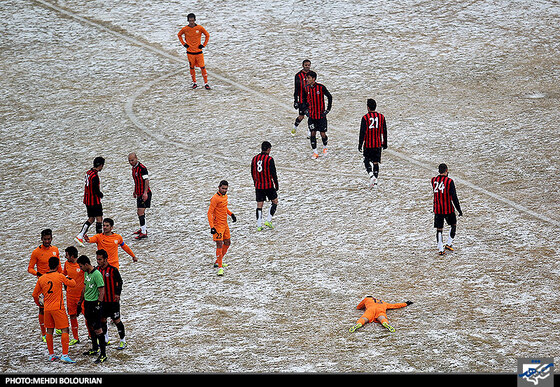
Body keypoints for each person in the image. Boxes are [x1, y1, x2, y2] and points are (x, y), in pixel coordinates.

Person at [32, 256, 77, 363]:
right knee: (65, 329)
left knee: (49, 331)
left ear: (48, 265)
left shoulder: (42, 278)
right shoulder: (60, 276)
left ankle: (51, 355)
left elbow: (34, 294)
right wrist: (69, 278)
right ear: (57, 266)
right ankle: (64, 355)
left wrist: (39, 304)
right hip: (58, 308)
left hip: (47, 308)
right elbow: (73, 284)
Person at [28, 229, 61, 342]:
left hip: (55, 283)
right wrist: (38, 274)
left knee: (56, 307)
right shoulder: (36, 252)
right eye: (45, 239)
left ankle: (58, 328)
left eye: (49, 239)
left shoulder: (55, 250)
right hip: (43, 284)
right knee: (42, 309)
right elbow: (30, 268)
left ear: (51, 238)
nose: (47, 241)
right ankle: (44, 333)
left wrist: (62, 277)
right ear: (41, 239)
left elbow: (59, 266)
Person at [77, 255, 107, 364]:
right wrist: (80, 302)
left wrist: (98, 304)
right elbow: (85, 288)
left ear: (86, 264)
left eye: (81, 266)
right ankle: (95, 348)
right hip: (87, 303)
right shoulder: (86, 273)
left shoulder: (97, 274)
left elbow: (102, 290)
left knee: (98, 329)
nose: (80, 268)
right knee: (91, 327)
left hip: (95, 304)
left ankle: (103, 354)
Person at [96, 249, 128, 350]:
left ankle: (123, 341)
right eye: (97, 259)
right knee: (103, 320)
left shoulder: (113, 270)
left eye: (100, 259)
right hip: (103, 301)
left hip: (113, 301)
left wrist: (117, 294)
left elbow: (120, 281)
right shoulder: (97, 270)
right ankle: (105, 339)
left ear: (106, 259)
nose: (98, 261)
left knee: (116, 320)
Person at [432, 163, 463, 255]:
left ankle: (440, 249)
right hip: (448, 208)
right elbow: (454, 197)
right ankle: (449, 243)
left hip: (437, 209)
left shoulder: (433, 180)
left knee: (439, 229)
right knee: (453, 224)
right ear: (446, 170)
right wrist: (459, 210)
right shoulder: (449, 181)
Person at [207, 180, 236, 276]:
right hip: (218, 225)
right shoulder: (215, 198)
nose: (224, 190)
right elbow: (209, 213)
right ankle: (220, 267)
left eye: (226, 189)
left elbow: (223, 208)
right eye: (223, 188)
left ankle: (217, 261)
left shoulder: (225, 197)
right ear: (219, 187)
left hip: (225, 224)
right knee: (219, 244)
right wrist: (212, 227)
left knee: (227, 242)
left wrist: (231, 214)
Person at [75, 156, 105, 247]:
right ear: (100, 165)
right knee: (99, 219)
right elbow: (95, 188)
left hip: (87, 200)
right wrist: (100, 194)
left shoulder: (88, 173)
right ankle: (99, 239)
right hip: (94, 201)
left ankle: (80, 235)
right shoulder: (95, 176)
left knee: (91, 218)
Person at [302, 71, 332, 159]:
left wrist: (328, 109)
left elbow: (329, 97)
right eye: (306, 78)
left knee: (323, 134)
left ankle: (325, 148)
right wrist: (306, 110)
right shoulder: (306, 88)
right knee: (312, 133)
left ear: (314, 79)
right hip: (311, 116)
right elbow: (303, 100)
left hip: (321, 116)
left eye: (309, 78)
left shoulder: (321, 87)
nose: (307, 80)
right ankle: (315, 152)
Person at [358, 98, 387, 187]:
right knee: (375, 162)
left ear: (368, 107)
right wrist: (385, 142)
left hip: (368, 144)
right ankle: (375, 181)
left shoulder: (365, 118)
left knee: (366, 160)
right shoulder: (381, 117)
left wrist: (360, 144)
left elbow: (362, 132)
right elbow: (384, 131)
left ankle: (371, 175)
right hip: (377, 144)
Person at [177, 13, 210, 89]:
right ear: (188, 20)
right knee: (191, 67)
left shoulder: (200, 28)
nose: (191, 22)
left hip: (199, 52)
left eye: (192, 20)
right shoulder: (185, 29)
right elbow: (179, 35)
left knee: (202, 67)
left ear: (195, 20)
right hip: (190, 52)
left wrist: (203, 45)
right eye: (190, 21)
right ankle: (194, 82)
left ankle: (206, 83)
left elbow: (207, 35)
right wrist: (184, 44)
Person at [251, 141, 279, 231]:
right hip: (268, 185)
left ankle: (259, 225)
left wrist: (255, 182)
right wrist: (276, 184)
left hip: (258, 186)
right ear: (268, 149)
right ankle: (268, 220)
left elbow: (252, 172)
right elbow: (273, 173)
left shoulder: (254, 159)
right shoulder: (269, 159)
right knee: (274, 201)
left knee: (259, 205)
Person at [62, 246, 84, 346]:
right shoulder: (66, 264)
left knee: (87, 316)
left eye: (67, 255)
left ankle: (90, 335)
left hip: (82, 296)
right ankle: (75, 338)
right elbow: (63, 275)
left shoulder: (81, 265)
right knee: (72, 315)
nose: (65, 257)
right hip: (70, 295)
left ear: (72, 256)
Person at [128, 152, 152, 239]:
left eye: (132, 160)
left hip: (144, 193)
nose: (131, 162)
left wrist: (145, 193)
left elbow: (146, 181)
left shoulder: (142, 168)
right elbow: (136, 181)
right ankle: (143, 228)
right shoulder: (133, 169)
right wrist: (135, 191)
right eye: (129, 160)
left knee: (140, 212)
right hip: (139, 193)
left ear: (136, 158)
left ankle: (143, 232)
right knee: (139, 212)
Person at [291, 59, 311, 137]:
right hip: (302, 99)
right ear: (303, 65)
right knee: (301, 116)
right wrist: (296, 100)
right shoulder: (298, 75)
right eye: (306, 65)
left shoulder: (312, 74)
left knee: (311, 116)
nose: (307, 67)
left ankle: (310, 133)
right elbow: (296, 88)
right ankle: (295, 127)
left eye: (308, 65)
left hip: (310, 99)